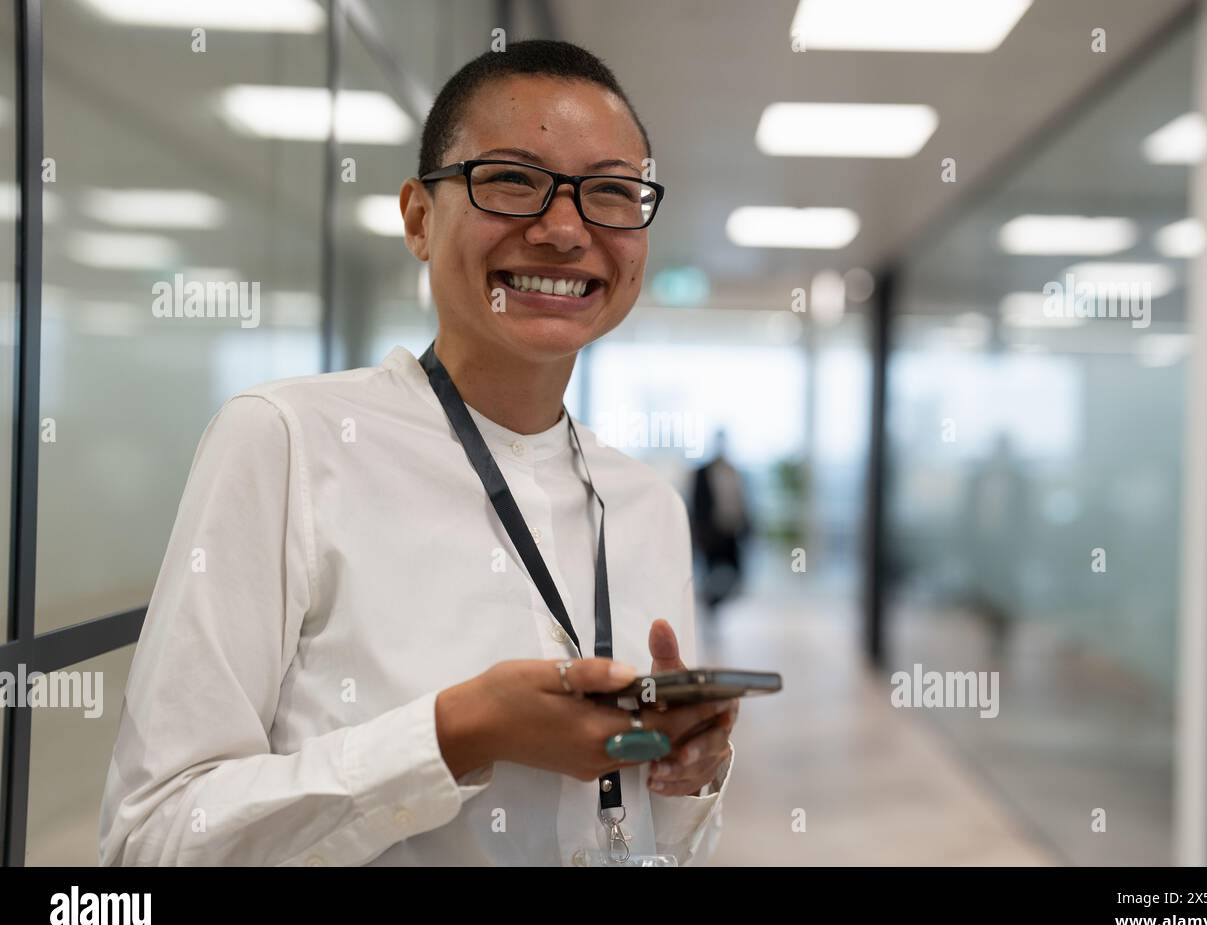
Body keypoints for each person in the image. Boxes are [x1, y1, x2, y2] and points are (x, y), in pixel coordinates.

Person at [99, 39, 739, 867]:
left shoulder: (647, 503)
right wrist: (456, 732)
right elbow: (148, 840)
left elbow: (647, 834)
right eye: (513, 180)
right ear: (418, 218)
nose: (565, 229)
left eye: (611, 192)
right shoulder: (288, 442)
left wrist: (685, 781)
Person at [690, 429, 752, 616]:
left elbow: (741, 502)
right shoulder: (702, 473)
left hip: (731, 532)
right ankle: (711, 608)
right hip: (712, 534)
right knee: (711, 573)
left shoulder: (734, 471)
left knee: (733, 573)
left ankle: (715, 602)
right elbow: (697, 504)